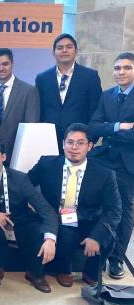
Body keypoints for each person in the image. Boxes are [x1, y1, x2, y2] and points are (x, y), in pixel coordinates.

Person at [28, 123, 122, 287]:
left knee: (108, 235)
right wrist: (32, 202)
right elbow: (25, 185)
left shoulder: (105, 174)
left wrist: (96, 236)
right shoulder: (47, 164)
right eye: (70, 142)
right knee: (65, 233)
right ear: (63, 143)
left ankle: (91, 271)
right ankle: (64, 270)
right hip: (58, 219)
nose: (74, 147)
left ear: (90, 146)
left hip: (89, 219)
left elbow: (114, 210)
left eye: (80, 143)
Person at [0, 139, 58, 292]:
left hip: (21, 221)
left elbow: (46, 210)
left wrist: (50, 239)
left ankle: (35, 273)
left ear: (4, 157)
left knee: (38, 229)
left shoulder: (21, 179)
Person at [89, 52, 134, 279]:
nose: (121, 72)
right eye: (117, 68)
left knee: (124, 212)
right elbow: (94, 127)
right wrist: (117, 127)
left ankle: (116, 260)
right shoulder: (107, 96)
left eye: (127, 68)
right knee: (102, 209)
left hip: (128, 165)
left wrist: (110, 131)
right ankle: (99, 254)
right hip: (104, 160)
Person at [36, 33, 102, 150]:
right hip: (48, 140)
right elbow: (39, 109)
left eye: (69, 47)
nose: (64, 50)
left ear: (76, 51)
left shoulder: (90, 76)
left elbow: (96, 109)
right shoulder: (42, 78)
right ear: (53, 52)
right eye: (60, 48)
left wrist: (91, 138)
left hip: (79, 141)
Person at [0, 48, 40, 163]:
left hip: (18, 152)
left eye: (5, 64)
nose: (1, 68)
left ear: (12, 64)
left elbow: (31, 125)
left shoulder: (29, 91)